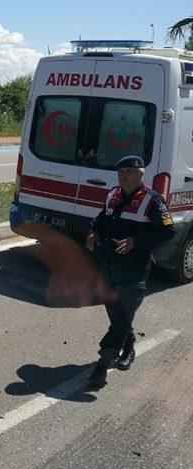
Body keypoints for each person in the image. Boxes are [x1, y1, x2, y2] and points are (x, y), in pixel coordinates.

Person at [85, 155, 176, 389]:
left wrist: (136, 241)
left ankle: (101, 366)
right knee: (118, 315)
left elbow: (168, 232)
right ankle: (129, 345)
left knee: (121, 318)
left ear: (140, 174)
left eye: (128, 172)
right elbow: (100, 219)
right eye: (120, 172)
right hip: (108, 267)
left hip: (134, 271)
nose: (123, 175)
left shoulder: (152, 201)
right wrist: (94, 232)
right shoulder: (113, 195)